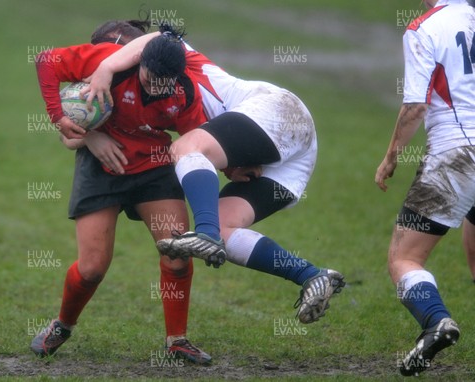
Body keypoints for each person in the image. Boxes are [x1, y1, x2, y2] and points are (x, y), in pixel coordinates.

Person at [83, 28, 345, 325]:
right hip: (293, 159)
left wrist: (106, 66)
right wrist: (89, 134)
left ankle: (205, 234)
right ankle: (312, 276)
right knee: (225, 229)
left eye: (111, 53)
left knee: (186, 147)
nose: (107, 60)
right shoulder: (145, 94)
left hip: (275, 109)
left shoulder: (170, 52)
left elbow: (161, 33)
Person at [29, 22, 212, 364]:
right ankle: (63, 325)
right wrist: (67, 122)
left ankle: (177, 340)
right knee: (92, 268)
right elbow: (46, 61)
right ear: (139, 62)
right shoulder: (109, 62)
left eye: (164, 83)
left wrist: (235, 168)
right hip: (102, 170)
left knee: (177, 254)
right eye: (149, 78)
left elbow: (199, 143)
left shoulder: (185, 91)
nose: (156, 88)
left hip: (154, 168)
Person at [375, 0, 475, 376]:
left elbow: (415, 106)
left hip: (459, 153)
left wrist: (390, 157)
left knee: (404, 257)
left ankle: (436, 322)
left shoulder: (424, 27)